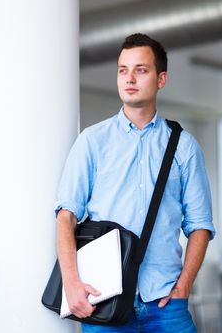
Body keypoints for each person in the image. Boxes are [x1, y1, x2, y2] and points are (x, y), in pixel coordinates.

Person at [55, 33, 215, 332]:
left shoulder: (183, 146)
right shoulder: (92, 141)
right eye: (122, 70)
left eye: (141, 70)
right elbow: (66, 215)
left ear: (161, 78)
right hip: (104, 301)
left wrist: (184, 287)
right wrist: (72, 283)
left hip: (166, 303)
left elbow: (200, 225)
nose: (129, 78)